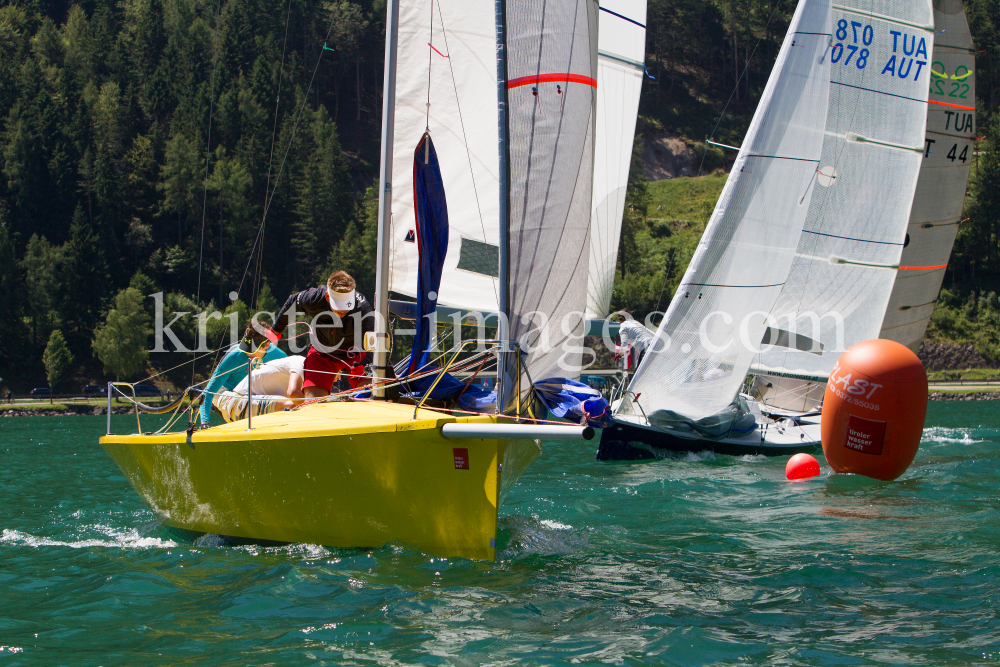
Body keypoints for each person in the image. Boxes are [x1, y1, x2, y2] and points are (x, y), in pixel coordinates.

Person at [266, 270, 374, 400]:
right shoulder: (315, 298)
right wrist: (276, 330)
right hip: (322, 354)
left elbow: (373, 340)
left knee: (371, 395)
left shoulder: (362, 306)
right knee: (313, 402)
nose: (343, 309)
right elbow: (292, 301)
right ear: (328, 297)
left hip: (354, 355)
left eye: (347, 304)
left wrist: (365, 364)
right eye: (338, 305)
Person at [199, 320, 287, 427]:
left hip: (251, 392)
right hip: (226, 393)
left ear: (267, 345)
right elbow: (208, 392)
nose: (247, 353)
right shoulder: (233, 357)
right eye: (246, 348)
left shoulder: (279, 355)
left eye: (252, 351)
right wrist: (204, 422)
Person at [230, 355, 306, 411]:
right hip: (239, 399)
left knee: (297, 404)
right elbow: (293, 393)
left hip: (250, 404)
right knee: (296, 405)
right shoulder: (299, 361)